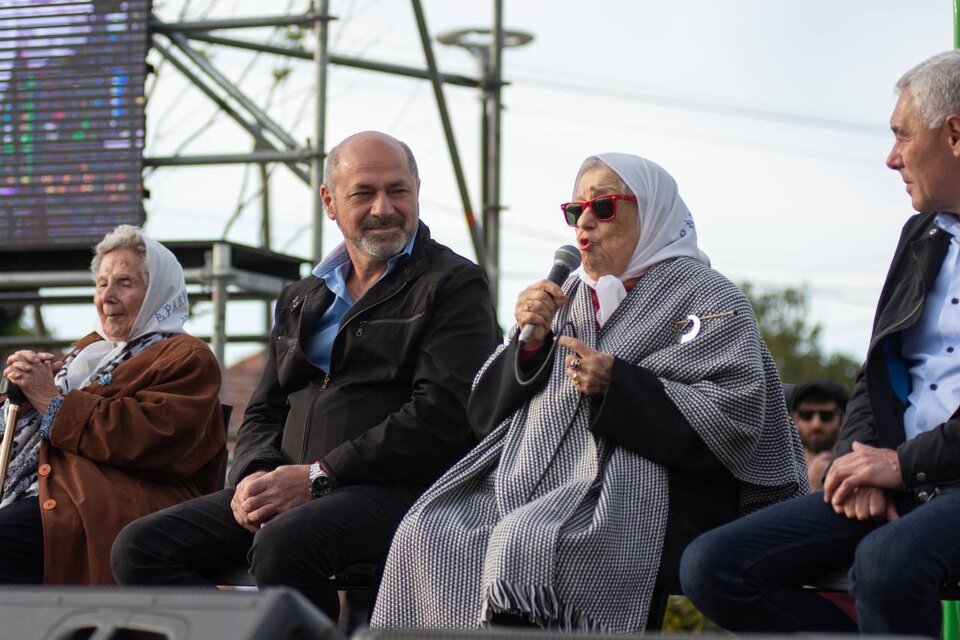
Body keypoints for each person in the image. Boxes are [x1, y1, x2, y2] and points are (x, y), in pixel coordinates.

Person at [370, 153, 807, 633]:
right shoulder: (567, 295)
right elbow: (483, 416)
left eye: (603, 207)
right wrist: (529, 346)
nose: (584, 223)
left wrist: (617, 384)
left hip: (664, 490)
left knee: (528, 539)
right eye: (575, 210)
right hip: (534, 479)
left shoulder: (708, 296)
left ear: (652, 212)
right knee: (428, 531)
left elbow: (735, 415)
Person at [111, 131, 501, 620]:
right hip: (291, 487)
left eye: (398, 190)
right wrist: (255, 476)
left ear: (417, 191)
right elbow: (264, 410)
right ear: (330, 202)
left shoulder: (453, 284)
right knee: (140, 547)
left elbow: (443, 413)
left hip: (401, 490)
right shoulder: (302, 296)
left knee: (284, 545)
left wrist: (319, 478)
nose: (384, 207)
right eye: (363, 193)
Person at [680, 50, 960, 637]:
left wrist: (900, 466)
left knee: (885, 563)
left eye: (901, 135)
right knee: (710, 567)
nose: (891, 158)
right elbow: (876, 372)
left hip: (934, 476)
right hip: (903, 477)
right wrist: (852, 464)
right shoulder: (921, 236)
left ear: (954, 133)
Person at [0, 224, 226, 584]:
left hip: (113, 507)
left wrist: (48, 398)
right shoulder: (85, 355)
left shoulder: (186, 356)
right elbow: (18, 434)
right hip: (52, 496)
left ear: (157, 292)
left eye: (124, 283)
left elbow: (146, 437)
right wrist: (21, 394)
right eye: (102, 284)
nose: (107, 296)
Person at [791, 380, 849, 491]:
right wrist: (811, 485)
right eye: (806, 415)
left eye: (826, 416)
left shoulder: (857, 467)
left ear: (842, 420)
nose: (816, 425)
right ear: (794, 418)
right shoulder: (779, 470)